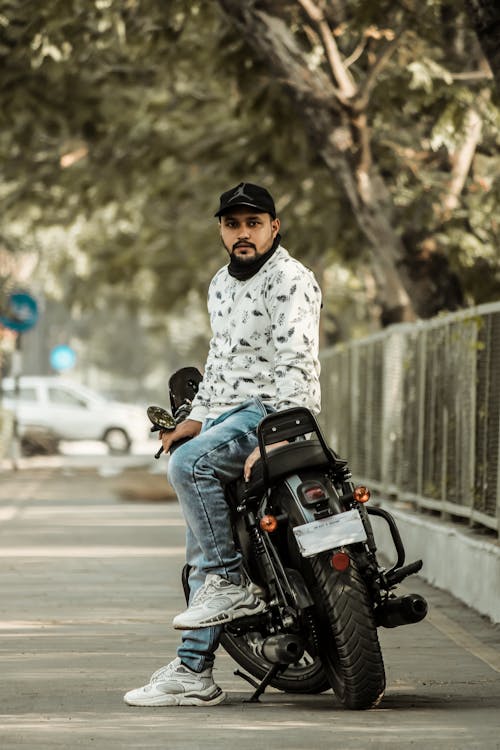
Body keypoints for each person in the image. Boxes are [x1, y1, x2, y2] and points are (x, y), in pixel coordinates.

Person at [124, 182, 322, 707]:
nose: (243, 233)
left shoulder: (290, 279)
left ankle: (232, 583)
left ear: (273, 227)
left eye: (253, 223)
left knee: (189, 468)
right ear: (220, 230)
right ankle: (194, 671)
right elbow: (220, 364)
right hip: (227, 416)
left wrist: (277, 433)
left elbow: (296, 362)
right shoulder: (220, 285)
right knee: (201, 541)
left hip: (268, 412)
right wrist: (198, 417)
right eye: (233, 224)